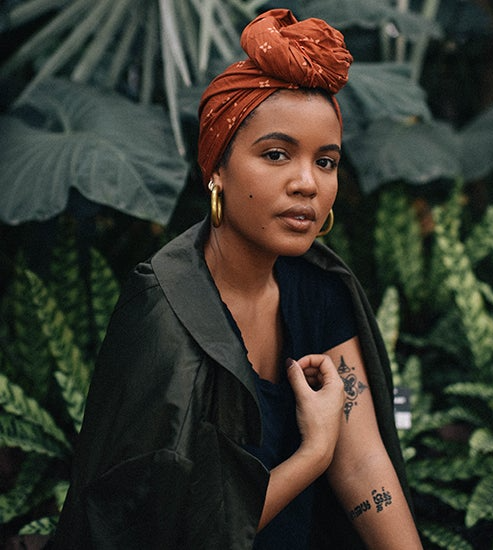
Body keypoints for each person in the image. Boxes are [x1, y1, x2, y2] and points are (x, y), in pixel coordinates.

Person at [52, 9, 422, 550]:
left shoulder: (317, 289)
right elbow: (175, 533)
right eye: (276, 155)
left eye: (325, 162)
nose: (307, 183)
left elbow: (363, 462)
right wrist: (315, 452)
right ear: (217, 170)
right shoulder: (164, 313)